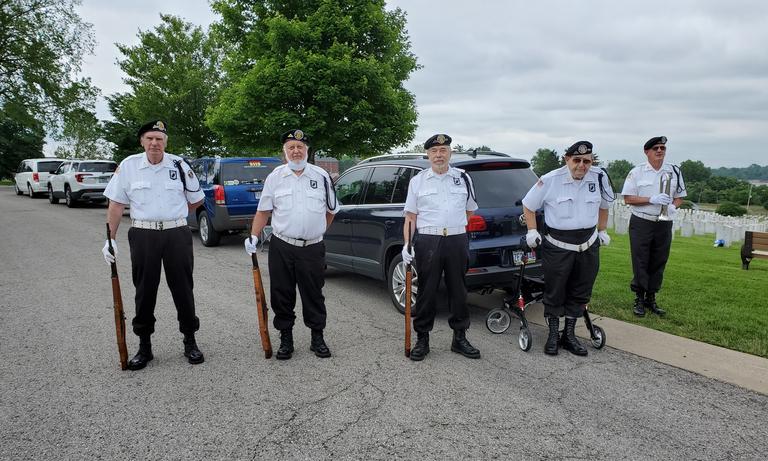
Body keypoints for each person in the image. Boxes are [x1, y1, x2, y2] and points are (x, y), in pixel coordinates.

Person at [101, 120, 205, 370]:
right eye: (150, 138)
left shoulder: (179, 165)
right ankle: (144, 346)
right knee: (145, 290)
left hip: (176, 234)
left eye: (159, 139)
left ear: (165, 142)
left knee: (183, 289)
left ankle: (190, 341)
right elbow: (116, 204)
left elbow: (196, 200)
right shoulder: (129, 166)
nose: (154, 143)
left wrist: (175, 214)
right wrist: (110, 239)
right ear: (142, 141)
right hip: (144, 235)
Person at [244, 129, 339, 360]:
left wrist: (317, 232)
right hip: (282, 246)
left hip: (312, 248)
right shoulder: (275, 177)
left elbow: (331, 211)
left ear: (307, 150)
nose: (296, 151)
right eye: (291, 147)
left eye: (300, 147)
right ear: (284, 151)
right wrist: (254, 236)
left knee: (314, 294)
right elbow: (263, 211)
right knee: (281, 294)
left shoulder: (321, 176)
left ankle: (317, 338)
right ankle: (286, 338)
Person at [522, 141, 613, 356]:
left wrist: (602, 230)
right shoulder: (550, 180)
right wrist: (532, 231)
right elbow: (528, 205)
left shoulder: (599, 178)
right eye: (577, 160)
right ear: (567, 159)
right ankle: (553, 334)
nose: (582, 165)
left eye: (586, 161)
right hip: (558, 245)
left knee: (581, 290)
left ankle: (569, 335)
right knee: (555, 290)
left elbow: (604, 206)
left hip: (588, 244)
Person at [402, 133, 481, 361]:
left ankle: (460, 338)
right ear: (428, 155)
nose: (439, 155)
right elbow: (410, 217)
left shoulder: (463, 178)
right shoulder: (418, 181)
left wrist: (454, 225)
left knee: (459, 291)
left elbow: (470, 210)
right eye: (434, 151)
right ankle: (422, 339)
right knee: (426, 292)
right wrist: (407, 244)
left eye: (443, 150)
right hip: (429, 240)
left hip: (456, 239)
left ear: (450, 153)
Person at [621, 136, 686, 317]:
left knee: (659, 260)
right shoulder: (637, 172)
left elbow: (680, 196)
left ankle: (651, 298)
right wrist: (651, 199)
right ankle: (639, 298)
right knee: (641, 259)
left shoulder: (674, 171)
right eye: (656, 148)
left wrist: (673, 206)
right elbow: (628, 198)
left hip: (663, 222)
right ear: (647, 151)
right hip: (642, 221)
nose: (659, 151)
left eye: (662, 148)